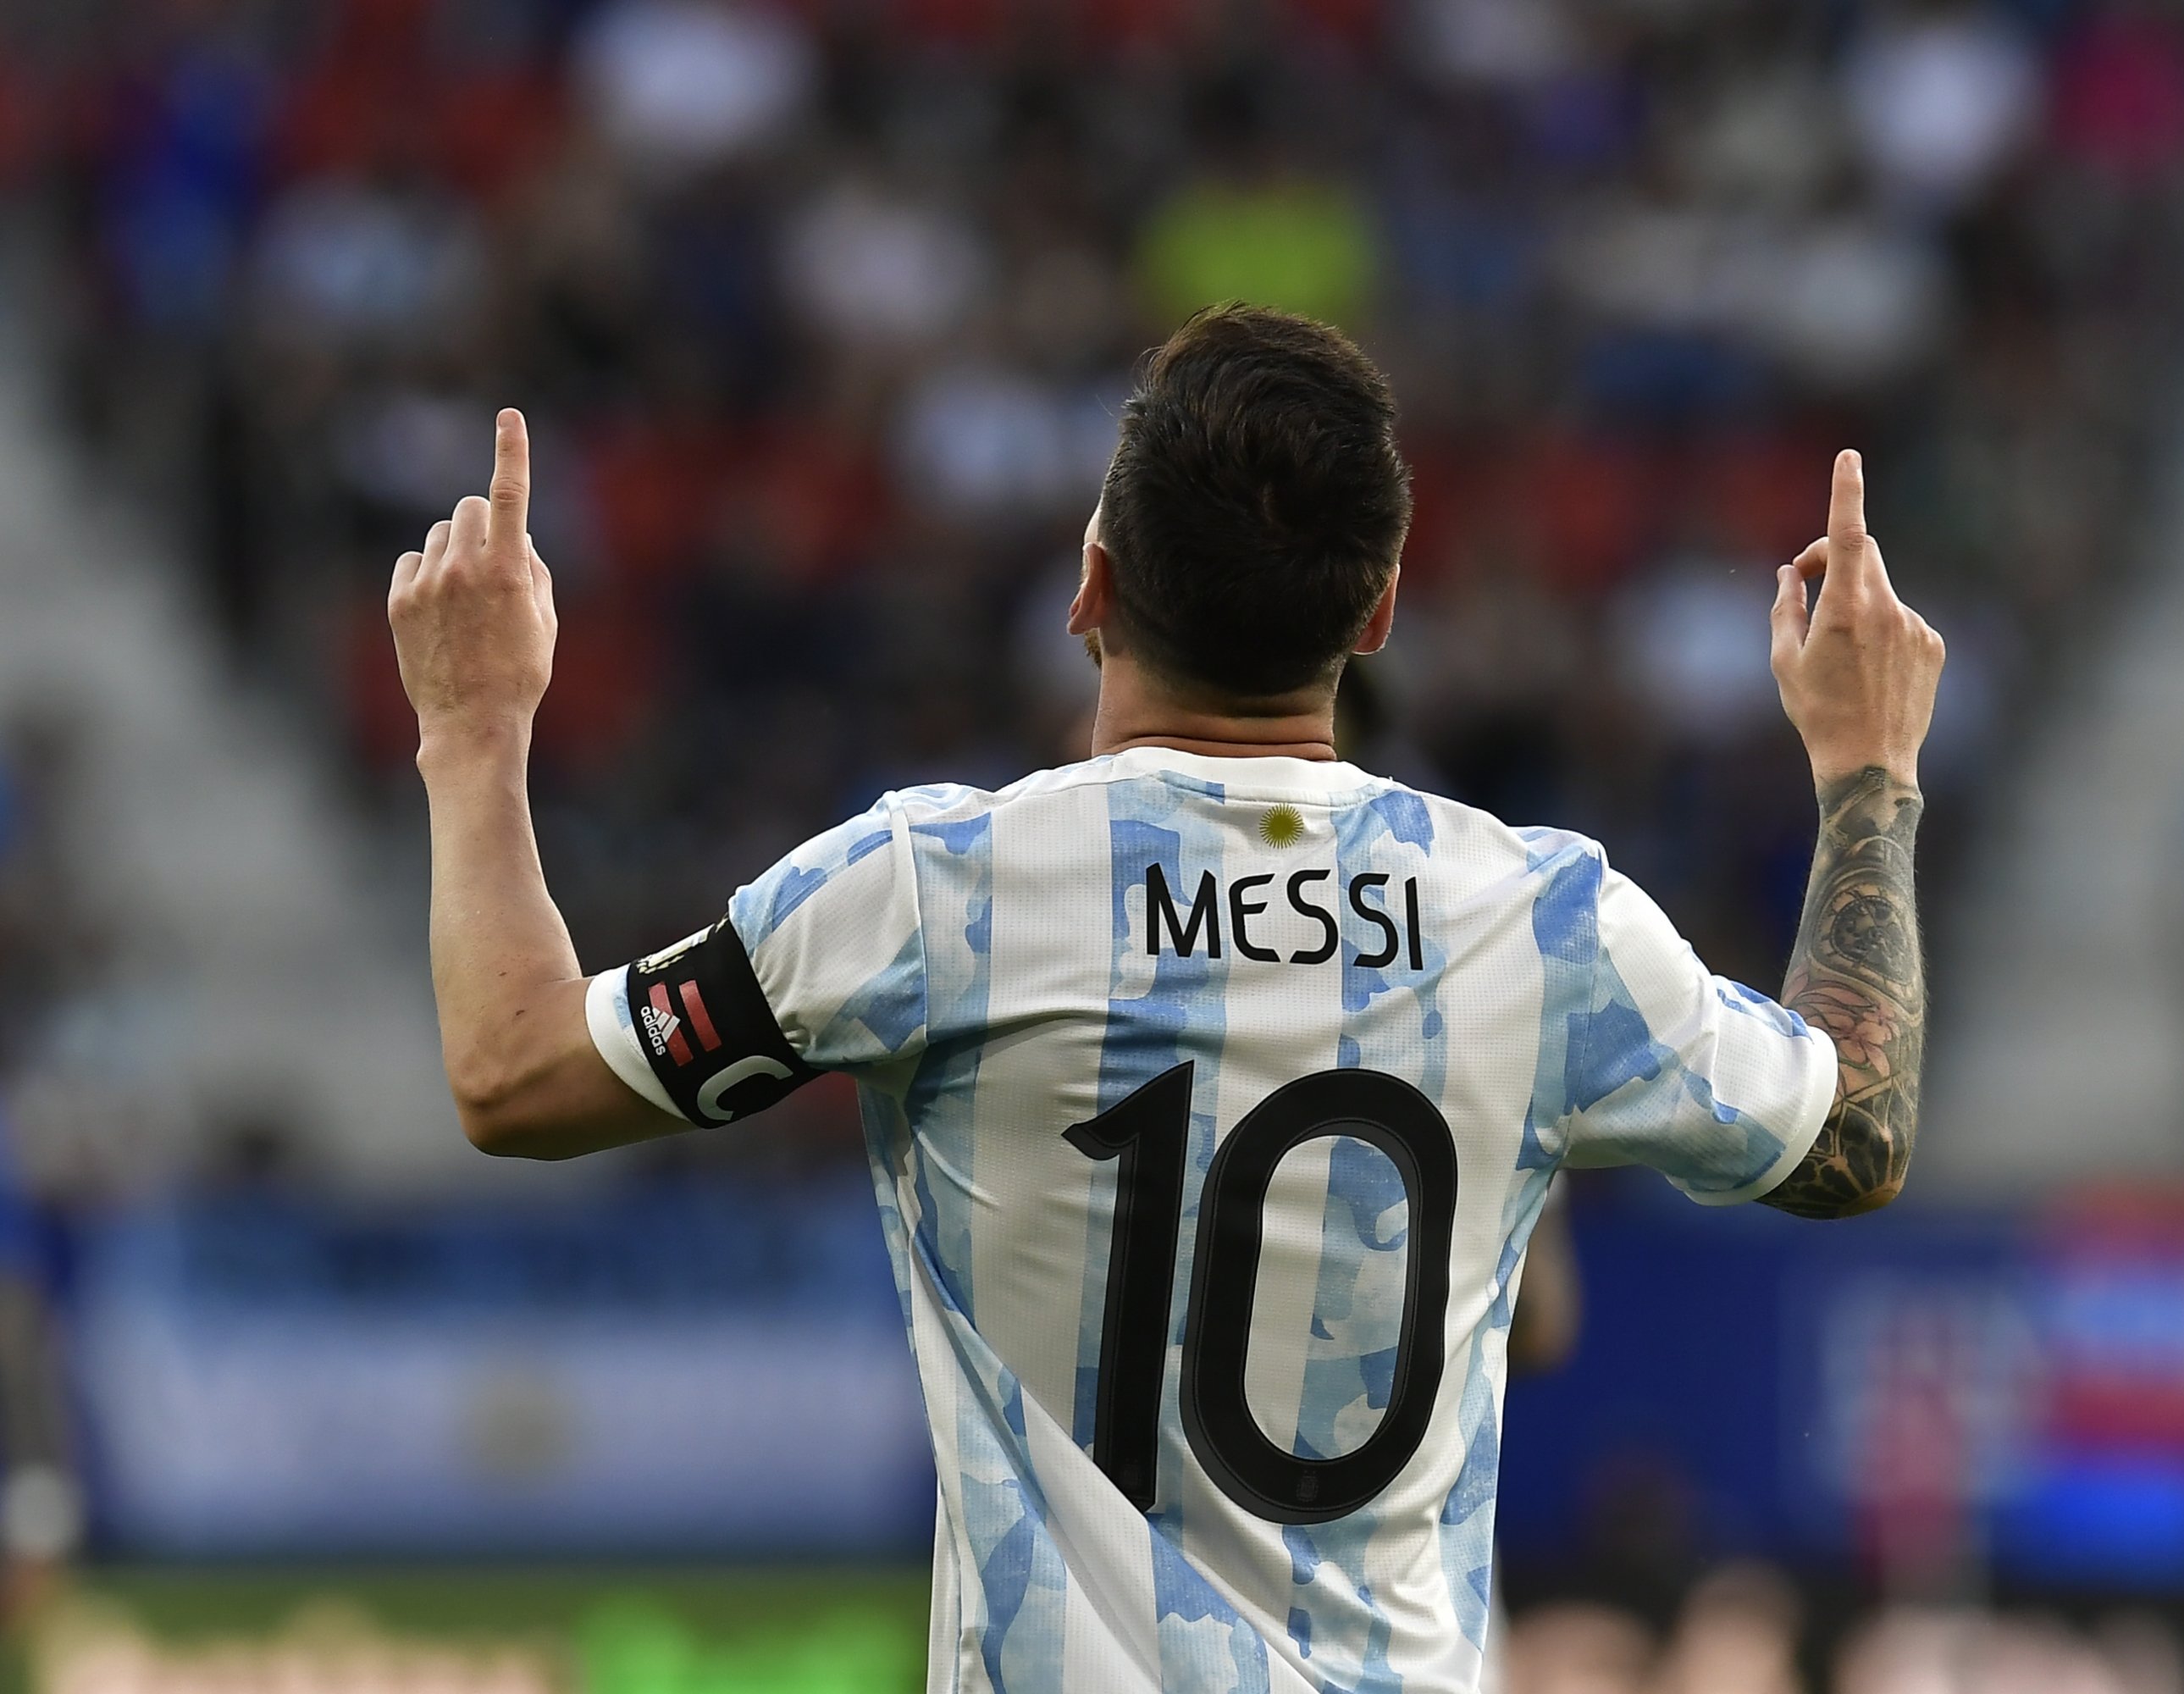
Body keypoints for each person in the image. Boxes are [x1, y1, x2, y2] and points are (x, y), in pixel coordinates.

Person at [385, 306, 1943, 1694]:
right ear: (1381, 608)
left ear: (1092, 586)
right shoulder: (1543, 921)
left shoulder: (933, 891)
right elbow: (1854, 1129)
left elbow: (517, 1073)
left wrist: (474, 728)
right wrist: (1868, 771)